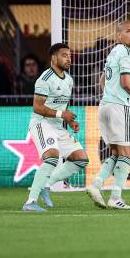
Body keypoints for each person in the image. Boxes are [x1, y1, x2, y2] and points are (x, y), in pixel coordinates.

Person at [22, 43, 92, 211]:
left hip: (58, 125)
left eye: (69, 55)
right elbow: (37, 107)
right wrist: (62, 115)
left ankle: (47, 184)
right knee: (52, 156)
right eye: (64, 55)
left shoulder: (69, 80)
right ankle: (30, 202)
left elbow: (62, 107)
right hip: (41, 123)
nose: (68, 58)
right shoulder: (44, 79)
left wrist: (69, 120)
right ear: (53, 58)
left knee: (81, 158)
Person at [86, 21, 130, 210]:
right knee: (126, 153)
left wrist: (110, 96)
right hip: (119, 107)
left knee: (116, 153)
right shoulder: (127, 53)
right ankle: (115, 197)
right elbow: (126, 82)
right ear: (119, 36)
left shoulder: (113, 52)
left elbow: (102, 80)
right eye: (128, 31)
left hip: (105, 106)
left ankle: (96, 184)